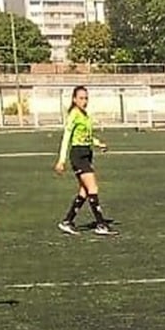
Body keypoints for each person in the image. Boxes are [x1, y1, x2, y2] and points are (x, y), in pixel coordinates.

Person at [54, 86, 117, 236]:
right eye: (81, 98)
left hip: (87, 153)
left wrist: (98, 143)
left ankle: (67, 221)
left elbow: (87, 136)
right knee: (93, 188)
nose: (84, 101)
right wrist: (61, 160)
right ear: (74, 99)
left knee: (84, 191)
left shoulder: (85, 115)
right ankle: (101, 224)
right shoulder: (74, 115)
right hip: (78, 155)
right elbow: (67, 137)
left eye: (86, 98)